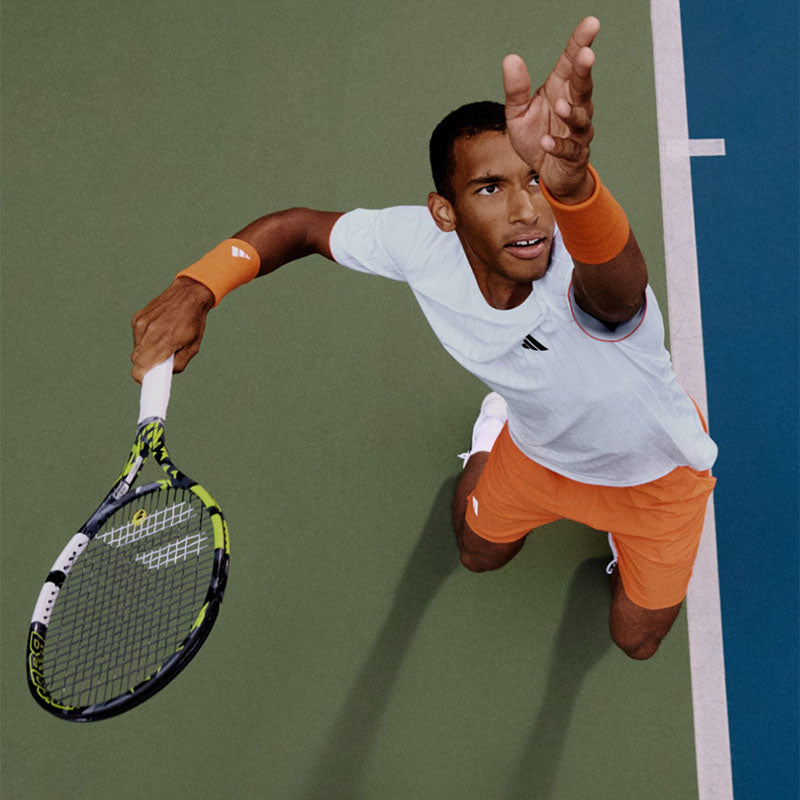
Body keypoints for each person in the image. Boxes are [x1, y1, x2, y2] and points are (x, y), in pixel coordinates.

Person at [131, 17, 717, 661]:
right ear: (446, 211)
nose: (526, 211)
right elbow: (298, 228)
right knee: (478, 553)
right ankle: (489, 442)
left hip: (658, 478)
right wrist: (198, 286)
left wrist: (573, 185)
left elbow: (619, 283)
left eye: (536, 181)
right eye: (490, 188)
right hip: (543, 451)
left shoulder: (585, 285)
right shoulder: (419, 242)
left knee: (635, 641)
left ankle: (617, 541)